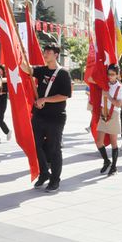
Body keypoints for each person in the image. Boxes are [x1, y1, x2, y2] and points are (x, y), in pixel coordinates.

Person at [21, 43, 72, 192]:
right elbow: (27, 69)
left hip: (55, 117)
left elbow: (64, 96)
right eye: (45, 51)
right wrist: (20, 52)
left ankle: (55, 180)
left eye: (48, 51)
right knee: (35, 145)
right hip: (39, 115)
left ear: (56, 54)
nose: (45, 53)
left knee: (54, 148)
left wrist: (45, 99)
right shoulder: (42, 70)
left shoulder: (63, 73)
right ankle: (44, 173)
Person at [96, 65, 122, 176]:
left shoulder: (119, 87)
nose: (110, 77)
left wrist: (108, 96)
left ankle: (114, 166)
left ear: (117, 74)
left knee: (113, 142)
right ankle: (107, 161)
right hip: (103, 114)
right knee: (99, 141)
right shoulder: (105, 83)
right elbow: (91, 78)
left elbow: (119, 104)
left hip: (113, 114)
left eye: (112, 74)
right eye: (108, 74)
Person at [0, 65, 12, 143]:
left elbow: (4, 82)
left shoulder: (6, 78)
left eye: (1, 70)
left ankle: (7, 131)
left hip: (2, 99)